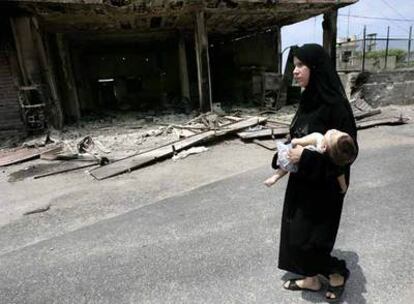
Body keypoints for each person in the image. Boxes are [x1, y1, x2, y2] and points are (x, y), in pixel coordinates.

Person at [274, 44, 358, 302]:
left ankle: (336, 272)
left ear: (316, 69)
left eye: (301, 66)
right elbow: (298, 137)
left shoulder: (337, 107)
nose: (295, 71)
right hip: (303, 181)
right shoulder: (307, 100)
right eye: (294, 65)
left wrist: (306, 158)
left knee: (315, 237)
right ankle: (310, 279)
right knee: (297, 235)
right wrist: (282, 158)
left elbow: (347, 154)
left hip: (325, 186)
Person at [264, 129, 357, 194]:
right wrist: (344, 186)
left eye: (333, 134)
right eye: (338, 131)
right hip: (297, 166)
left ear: (325, 147)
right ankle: (275, 177)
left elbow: (308, 139)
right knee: (286, 168)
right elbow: (340, 174)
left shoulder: (320, 139)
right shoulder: (335, 163)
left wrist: (296, 141)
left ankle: (275, 177)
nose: (333, 130)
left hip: (293, 154)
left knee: (285, 166)